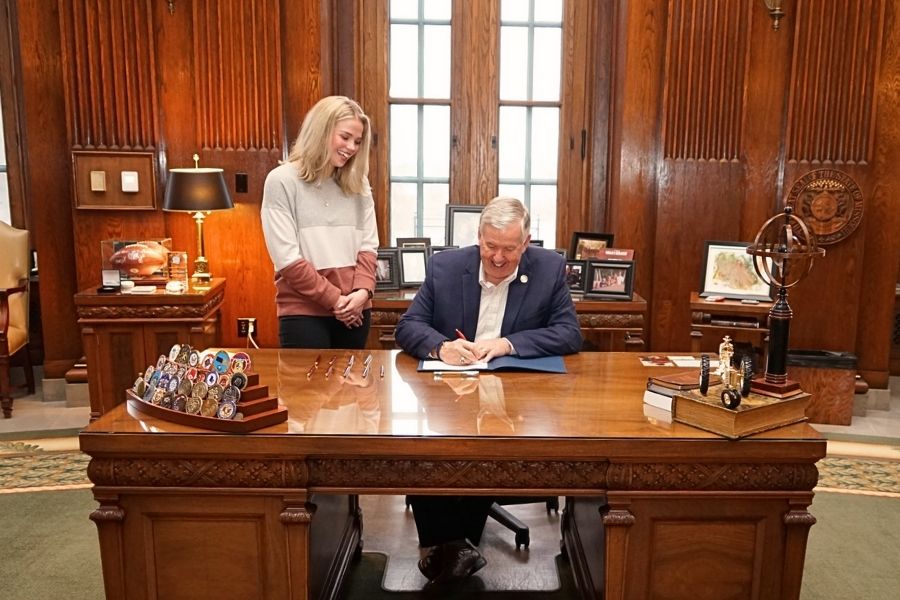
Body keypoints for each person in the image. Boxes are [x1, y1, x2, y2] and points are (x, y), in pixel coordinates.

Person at [394, 196, 582, 585]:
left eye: (509, 249)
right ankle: (453, 547)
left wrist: (508, 343)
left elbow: (569, 333)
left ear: (526, 242)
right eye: (490, 246)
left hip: (514, 398)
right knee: (430, 446)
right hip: (450, 389)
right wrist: (441, 346)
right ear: (478, 237)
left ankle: (448, 548)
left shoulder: (549, 269)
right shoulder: (446, 266)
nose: (497, 258)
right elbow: (408, 326)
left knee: (491, 440)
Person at [261, 96, 378, 349]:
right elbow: (287, 260)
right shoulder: (281, 181)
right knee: (307, 390)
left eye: (357, 141)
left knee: (354, 389)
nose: (352, 147)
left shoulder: (359, 184)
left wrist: (362, 294)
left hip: (356, 312)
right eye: (345, 137)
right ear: (321, 131)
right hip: (304, 313)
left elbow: (369, 247)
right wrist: (336, 300)